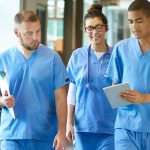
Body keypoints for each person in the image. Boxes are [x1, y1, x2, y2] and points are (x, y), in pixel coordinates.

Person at [0, 10, 69, 150]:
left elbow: (61, 98)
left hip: (44, 135)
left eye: (38, 31)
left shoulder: (52, 58)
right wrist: (2, 102)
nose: (35, 37)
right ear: (16, 33)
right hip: (11, 135)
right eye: (29, 33)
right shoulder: (4, 59)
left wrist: (62, 132)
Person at [66, 3, 117, 150]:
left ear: (106, 28)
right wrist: (69, 122)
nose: (94, 32)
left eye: (99, 27)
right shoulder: (77, 56)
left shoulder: (116, 56)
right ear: (85, 30)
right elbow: (72, 90)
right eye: (90, 28)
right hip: (83, 127)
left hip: (110, 127)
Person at [107, 0, 150, 149]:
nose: (134, 27)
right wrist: (117, 96)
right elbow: (115, 86)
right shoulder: (121, 49)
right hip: (126, 127)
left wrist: (144, 98)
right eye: (130, 22)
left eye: (139, 21)